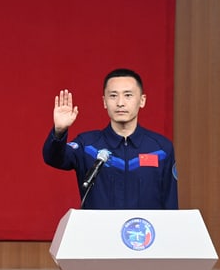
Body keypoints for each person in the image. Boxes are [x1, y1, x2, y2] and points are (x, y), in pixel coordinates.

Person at [42, 68, 178, 209]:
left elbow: (170, 203)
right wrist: (59, 132)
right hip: (99, 230)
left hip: (143, 231)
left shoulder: (161, 149)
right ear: (104, 102)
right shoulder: (88, 146)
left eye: (128, 95)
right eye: (113, 96)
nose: (120, 103)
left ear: (142, 100)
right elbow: (53, 158)